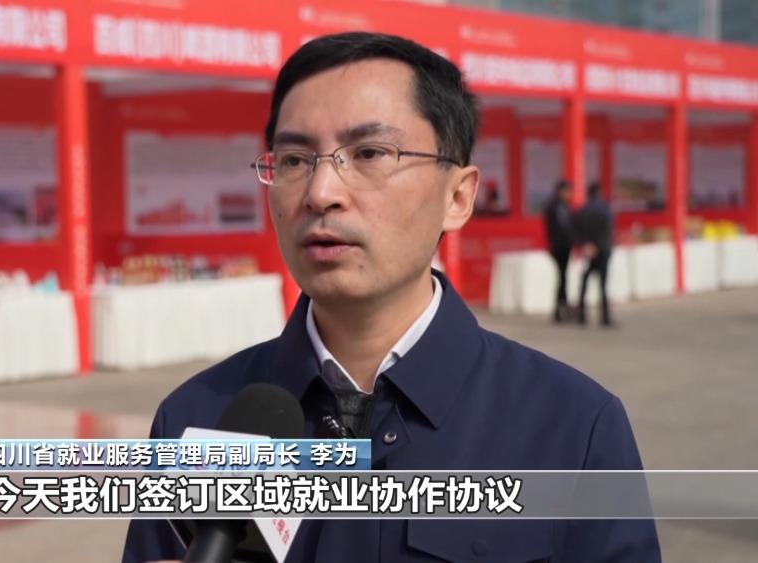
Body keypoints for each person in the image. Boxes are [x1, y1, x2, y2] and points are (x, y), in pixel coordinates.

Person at [123, 32, 659, 562]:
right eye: (294, 159)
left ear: (457, 197)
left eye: (369, 153)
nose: (320, 193)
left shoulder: (573, 429)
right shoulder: (195, 419)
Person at [574, 182, 617, 327]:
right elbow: (608, 230)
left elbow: (576, 228)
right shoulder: (605, 209)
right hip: (603, 250)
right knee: (603, 284)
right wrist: (600, 245)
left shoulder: (582, 210)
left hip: (588, 250)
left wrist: (587, 244)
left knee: (584, 282)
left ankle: (581, 315)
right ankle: (605, 317)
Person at [543, 179, 575, 322]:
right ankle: (560, 310)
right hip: (560, 246)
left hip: (559, 245)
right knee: (562, 278)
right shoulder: (557, 206)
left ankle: (562, 308)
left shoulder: (557, 205)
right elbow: (563, 227)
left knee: (563, 278)